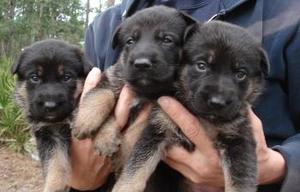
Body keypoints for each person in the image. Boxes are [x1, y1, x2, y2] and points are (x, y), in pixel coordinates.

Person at [68, 0, 300, 191]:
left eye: (167, 40)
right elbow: (76, 113)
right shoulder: (105, 27)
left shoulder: (290, 12)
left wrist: (278, 166)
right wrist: (77, 176)